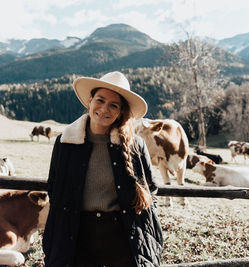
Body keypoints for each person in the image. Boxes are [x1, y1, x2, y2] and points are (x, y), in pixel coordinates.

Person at [43, 71, 163, 267]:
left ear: (120, 112)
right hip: (76, 239)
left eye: (113, 105)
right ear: (90, 101)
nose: (104, 109)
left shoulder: (136, 146)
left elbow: (151, 190)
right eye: (100, 100)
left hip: (124, 240)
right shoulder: (65, 142)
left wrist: (144, 230)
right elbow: (55, 188)